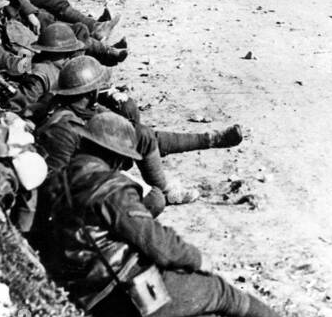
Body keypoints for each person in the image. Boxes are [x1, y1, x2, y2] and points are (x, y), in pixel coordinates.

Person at [47, 111, 332, 317]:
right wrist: (196, 259)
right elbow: (159, 245)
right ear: (115, 155)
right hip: (130, 292)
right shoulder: (111, 188)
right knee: (221, 294)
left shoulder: (61, 181)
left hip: (96, 302)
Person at [33, 56, 241, 213]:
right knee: (154, 201)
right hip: (84, 190)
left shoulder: (84, 108)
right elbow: (55, 185)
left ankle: (208, 141)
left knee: (142, 134)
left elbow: (132, 131)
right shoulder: (62, 128)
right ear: (91, 92)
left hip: (97, 166)